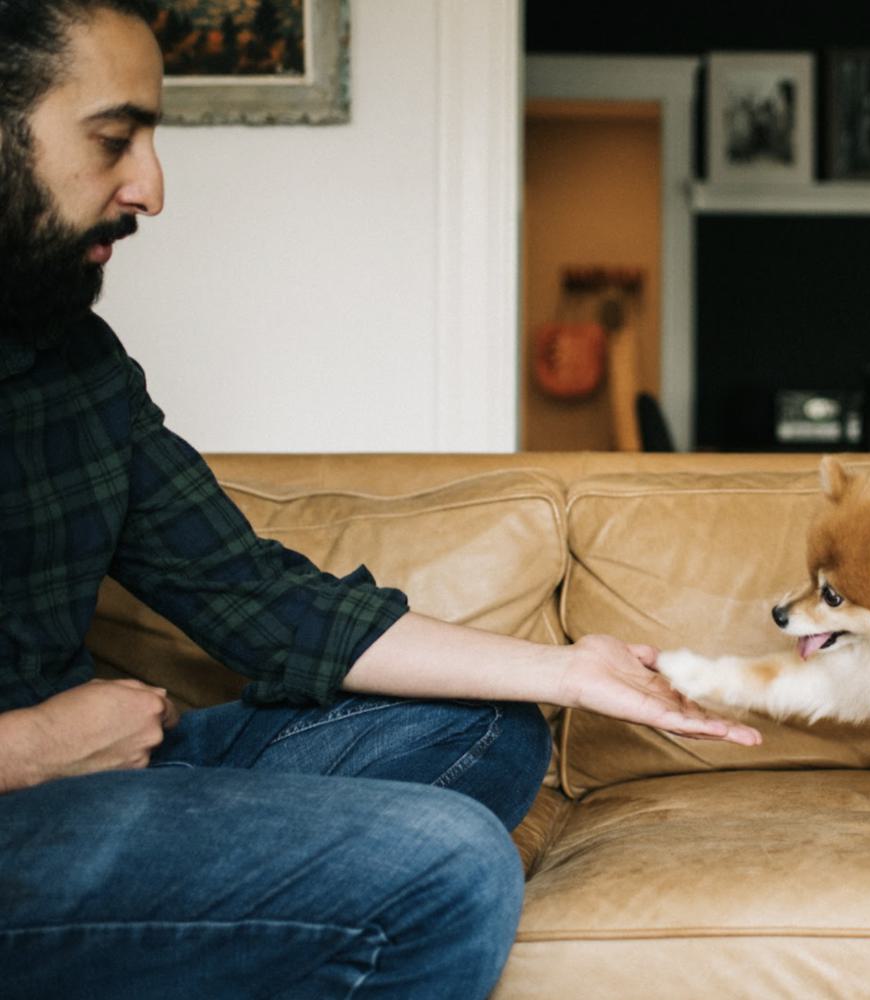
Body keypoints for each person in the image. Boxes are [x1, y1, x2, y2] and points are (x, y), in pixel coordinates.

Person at [0, 2, 761, 996]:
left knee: (489, 723)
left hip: (95, 769)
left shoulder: (75, 364)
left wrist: (568, 670)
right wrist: (32, 749)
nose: (151, 186)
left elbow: (257, 596)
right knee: (447, 864)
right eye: (114, 139)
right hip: (35, 786)